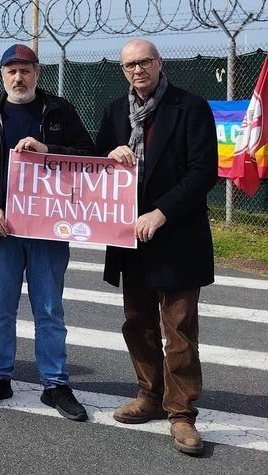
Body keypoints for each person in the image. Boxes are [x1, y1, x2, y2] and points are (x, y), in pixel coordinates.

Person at [97, 39, 218, 456]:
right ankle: (149, 394)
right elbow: (95, 163)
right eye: (129, 64)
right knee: (137, 322)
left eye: (144, 61)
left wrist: (161, 212)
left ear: (159, 62)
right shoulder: (115, 111)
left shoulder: (190, 107)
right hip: (131, 239)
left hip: (177, 234)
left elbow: (204, 172)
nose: (137, 70)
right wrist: (108, 155)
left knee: (179, 329)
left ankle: (182, 412)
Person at [0, 44, 95, 421]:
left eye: (25, 70)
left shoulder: (58, 110)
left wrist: (48, 148)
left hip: (48, 229)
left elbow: (87, 156)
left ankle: (55, 384)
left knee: (50, 309)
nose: (18, 78)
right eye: (11, 71)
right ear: (2, 75)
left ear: (38, 73)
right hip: (1, 229)